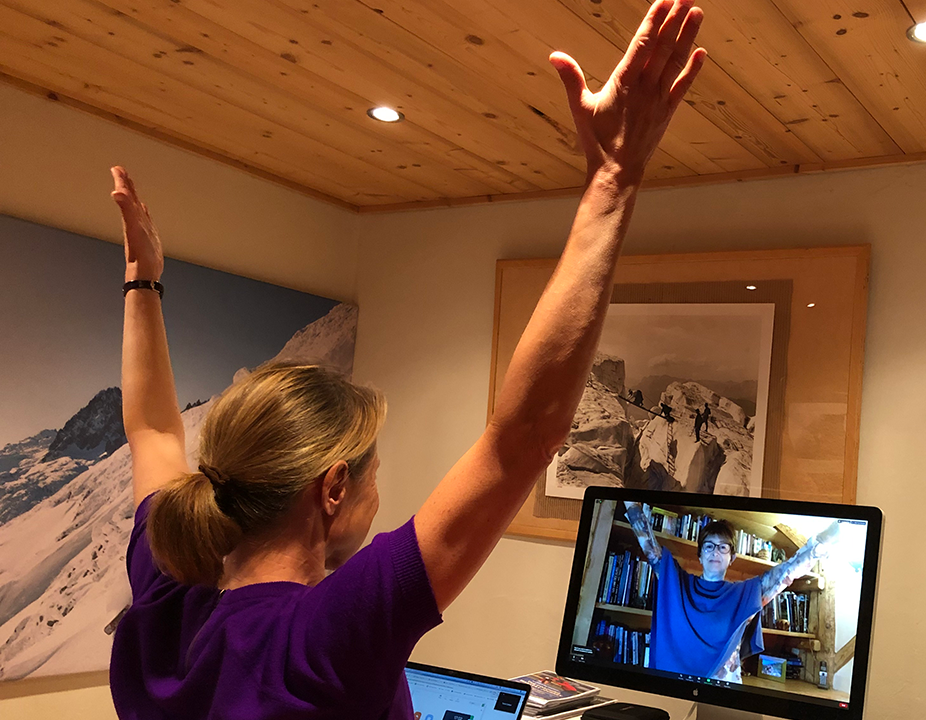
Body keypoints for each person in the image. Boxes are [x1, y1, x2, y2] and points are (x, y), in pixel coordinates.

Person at [108, 3, 708, 718]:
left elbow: (152, 431)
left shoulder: (168, 594)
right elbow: (522, 440)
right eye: (373, 475)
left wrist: (143, 281)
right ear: (333, 488)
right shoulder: (325, 635)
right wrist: (611, 179)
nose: (377, 493)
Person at [621, 502, 842, 682]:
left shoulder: (745, 593)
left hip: (723, 691)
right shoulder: (679, 585)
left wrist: (820, 544)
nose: (715, 552)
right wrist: (632, 506)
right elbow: (651, 551)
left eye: (723, 547)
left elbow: (786, 572)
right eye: (709, 546)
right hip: (676, 688)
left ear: (732, 558)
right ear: (700, 556)